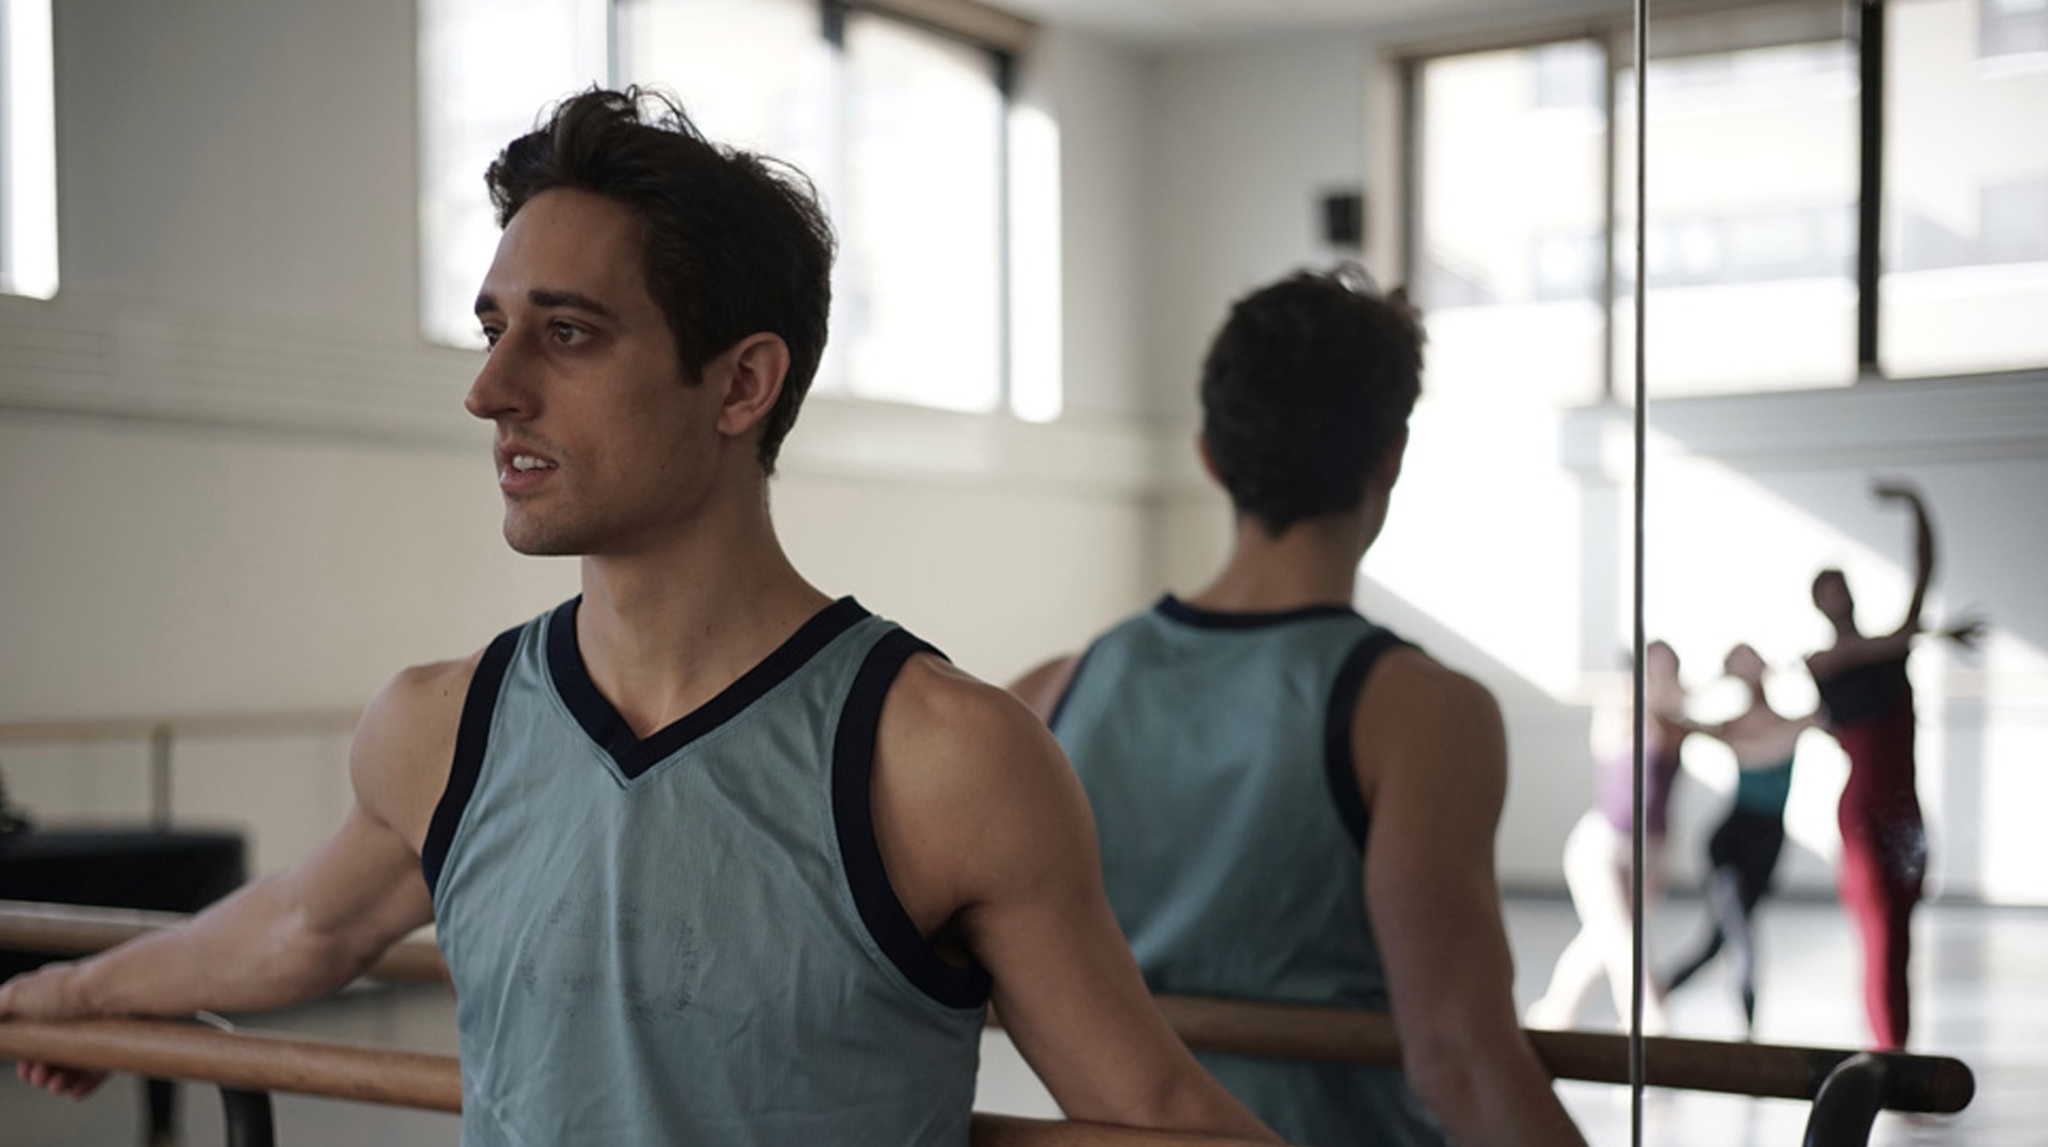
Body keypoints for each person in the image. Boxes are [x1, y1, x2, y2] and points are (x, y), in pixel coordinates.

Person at [0, 88, 1278, 1147]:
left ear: (740, 383)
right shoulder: (442, 726)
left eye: (565, 334)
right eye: (495, 329)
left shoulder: (939, 758)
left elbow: (1155, 1113)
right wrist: (74, 993)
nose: (491, 391)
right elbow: (302, 925)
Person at [1011, 269, 1586, 1147]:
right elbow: (1457, 1056)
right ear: (1389, 457)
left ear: (1209, 453)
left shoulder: (1051, 694)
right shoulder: (1424, 716)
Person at [1806, 480, 1981, 1050]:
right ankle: (1887, 1054)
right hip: (1863, 816)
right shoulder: (1824, 661)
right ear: (1818, 606)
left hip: (1905, 812)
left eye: (1843, 587)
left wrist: (1915, 502)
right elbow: (1886, 642)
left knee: (1903, 935)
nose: (1840, 597)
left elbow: (1925, 571)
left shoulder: (1892, 646)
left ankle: (1898, 1051)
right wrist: (1928, 634)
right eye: (1828, 592)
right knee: (1880, 935)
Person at [1525, 641, 1687, 1038]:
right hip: (1602, 849)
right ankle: (1649, 1020)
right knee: (1622, 941)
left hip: (1648, 851)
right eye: (1655, 666)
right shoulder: (1621, 711)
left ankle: (1552, 1016)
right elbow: (1635, 717)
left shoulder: (1676, 720)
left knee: (1601, 939)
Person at [1659, 643, 1819, 1037]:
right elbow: (1670, 719)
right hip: (1732, 843)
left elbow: (1826, 714)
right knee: (1741, 938)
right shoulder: (1733, 728)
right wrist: (1713, 682)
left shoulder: (1791, 722)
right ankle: (1749, 1034)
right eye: (1737, 664)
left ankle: (1654, 995)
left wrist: (1795, 670)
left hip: (1766, 845)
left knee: (1715, 943)